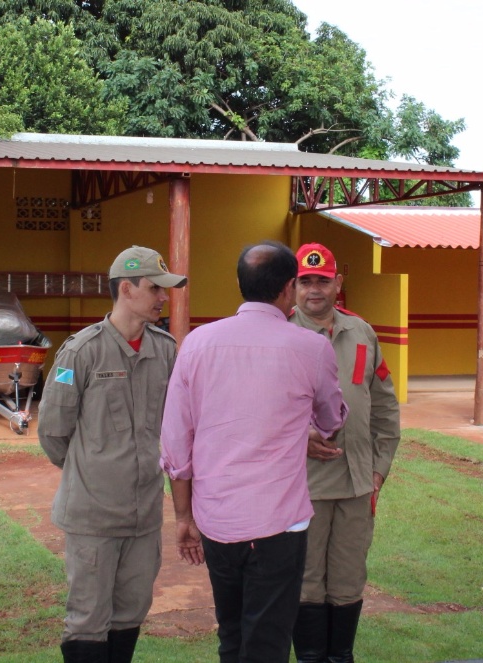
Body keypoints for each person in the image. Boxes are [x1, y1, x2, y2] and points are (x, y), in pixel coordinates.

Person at [159, 240, 347, 663]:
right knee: (267, 643)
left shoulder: (197, 343)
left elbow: (176, 443)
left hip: (216, 519)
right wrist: (306, 427)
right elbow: (331, 419)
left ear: (240, 283)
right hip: (279, 523)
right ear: (288, 287)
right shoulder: (311, 347)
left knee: (231, 634)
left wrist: (183, 517)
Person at [38, 245, 188, 663]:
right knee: (88, 618)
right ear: (126, 289)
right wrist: (92, 469)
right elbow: (53, 432)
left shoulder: (165, 349)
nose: (163, 298)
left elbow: (177, 422)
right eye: (155, 288)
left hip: (143, 515)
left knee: (130, 612)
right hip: (93, 515)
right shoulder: (81, 351)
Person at [287, 243, 400, 663]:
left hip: (356, 483)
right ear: (293, 286)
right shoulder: (282, 334)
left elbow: (384, 406)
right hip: (303, 485)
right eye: (305, 281)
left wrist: (379, 469)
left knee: (349, 579)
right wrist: (298, 437)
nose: (314, 289)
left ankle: (341, 657)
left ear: (338, 282)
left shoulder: (361, 333)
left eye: (322, 280)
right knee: (306, 580)